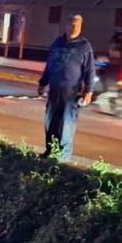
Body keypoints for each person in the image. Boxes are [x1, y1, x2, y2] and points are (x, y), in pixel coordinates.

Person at [36, 14, 97, 160]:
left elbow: (89, 70)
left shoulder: (84, 46)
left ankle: (63, 157)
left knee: (66, 124)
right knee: (50, 122)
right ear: (66, 25)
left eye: (76, 25)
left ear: (80, 26)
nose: (73, 27)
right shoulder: (58, 42)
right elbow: (49, 65)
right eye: (70, 24)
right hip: (54, 90)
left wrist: (88, 91)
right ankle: (50, 150)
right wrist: (43, 82)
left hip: (70, 92)